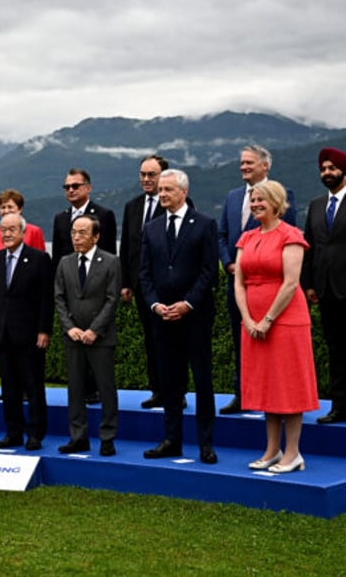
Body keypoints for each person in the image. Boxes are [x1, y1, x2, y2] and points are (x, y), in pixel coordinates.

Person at [235, 181, 317, 473]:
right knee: (267, 387)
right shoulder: (246, 238)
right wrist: (247, 318)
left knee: (289, 386)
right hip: (254, 323)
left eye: (261, 200)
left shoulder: (291, 235)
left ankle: (293, 453)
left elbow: (291, 283)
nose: (255, 204)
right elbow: (239, 282)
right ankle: (272, 450)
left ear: (276, 202)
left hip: (285, 321)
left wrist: (268, 319)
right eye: (253, 200)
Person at [140, 169, 219, 464]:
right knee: (170, 382)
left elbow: (209, 271)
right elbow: (145, 274)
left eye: (167, 190)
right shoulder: (151, 228)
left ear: (183, 192)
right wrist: (155, 305)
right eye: (160, 190)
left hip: (195, 317)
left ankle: (205, 443)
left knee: (202, 380)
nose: (161, 195)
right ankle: (171, 439)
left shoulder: (205, 225)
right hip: (162, 317)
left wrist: (188, 303)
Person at [218, 145, 297, 414]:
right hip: (237, 283)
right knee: (242, 340)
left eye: (249, 162)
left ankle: (271, 398)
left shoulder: (281, 195)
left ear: (266, 166)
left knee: (272, 344)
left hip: (271, 287)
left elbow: (287, 234)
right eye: (242, 163)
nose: (244, 167)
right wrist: (229, 263)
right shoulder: (231, 197)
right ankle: (243, 395)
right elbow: (222, 235)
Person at [54, 215, 122, 456]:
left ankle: (107, 437)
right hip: (73, 337)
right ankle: (78, 437)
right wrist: (69, 327)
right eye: (74, 232)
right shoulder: (65, 262)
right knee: (75, 389)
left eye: (82, 233)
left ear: (96, 236)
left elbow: (112, 300)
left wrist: (94, 329)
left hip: (100, 337)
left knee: (105, 388)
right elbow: (59, 298)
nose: (76, 237)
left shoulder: (111, 262)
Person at [0, 213, 53, 451]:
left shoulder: (39, 259)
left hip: (31, 335)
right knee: (9, 388)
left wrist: (44, 329)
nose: (7, 234)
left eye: (12, 229)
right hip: (3, 335)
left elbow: (47, 299)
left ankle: (35, 434)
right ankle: (13, 433)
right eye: (3, 229)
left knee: (33, 387)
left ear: (23, 232)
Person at [52, 167, 116, 404]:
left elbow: (110, 254)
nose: (70, 190)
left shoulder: (104, 214)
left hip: (97, 290)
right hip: (70, 289)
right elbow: (58, 256)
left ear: (87, 188)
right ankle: (82, 391)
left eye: (75, 186)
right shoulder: (60, 218)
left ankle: (96, 389)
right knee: (74, 346)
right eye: (67, 187)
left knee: (97, 343)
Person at [120, 155, 169, 408]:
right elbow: (127, 246)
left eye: (151, 174)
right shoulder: (132, 206)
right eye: (143, 174)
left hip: (167, 287)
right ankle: (157, 391)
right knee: (151, 340)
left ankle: (175, 393)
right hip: (140, 287)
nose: (146, 179)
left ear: (163, 176)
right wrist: (125, 283)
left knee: (170, 341)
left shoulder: (174, 202)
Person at [302, 147, 346, 424]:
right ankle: (339, 406)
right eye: (323, 169)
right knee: (336, 349)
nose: (327, 173)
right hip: (326, 290)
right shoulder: (317, 205)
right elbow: (309, 247)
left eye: (332, 168)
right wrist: (308, 284)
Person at [0, 188, 46, 310]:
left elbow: (42, 267)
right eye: (2, 207)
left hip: (26, 295)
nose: (6, 211)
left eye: (10, 207)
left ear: (20, 209)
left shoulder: (34, 231)